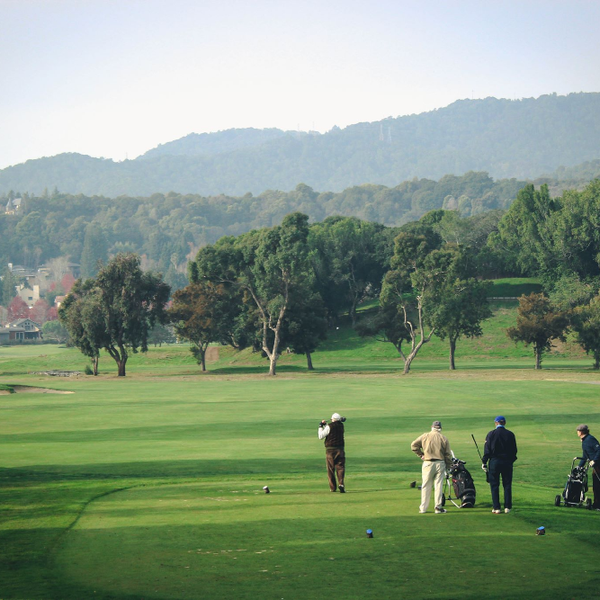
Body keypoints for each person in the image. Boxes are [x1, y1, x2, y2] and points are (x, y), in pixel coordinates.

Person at [411, 420, 453, 514]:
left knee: (426, 485)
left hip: (428, 463)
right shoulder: (443, 438)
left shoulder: (425, 436)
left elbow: (413, 445)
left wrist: (421, 454)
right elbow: (447, 454)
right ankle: (438, 507)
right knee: (438, 485)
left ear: (432, 427)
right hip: (440, 463)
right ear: (440, 428)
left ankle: (423, 508)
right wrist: (449, 465)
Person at [482, 416, 517, 514]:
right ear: (504, 423)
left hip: (494, 462)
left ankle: (496, 507)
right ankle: (507, 507)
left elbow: (487, 450)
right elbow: (514, 450)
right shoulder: (510, 434)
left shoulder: (491, 434)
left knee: (494, 485)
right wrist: (510, 461)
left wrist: (484, 462)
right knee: (507, 485)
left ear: (496, 423)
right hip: (507, 462)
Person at [318, 413, 346, 493]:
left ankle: (333, 488)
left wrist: (320, 426)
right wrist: (326, 425)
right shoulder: (341, 426)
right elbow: (333, 428)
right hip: (340, 449)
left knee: (330, 469)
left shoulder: (329, 426)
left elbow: (321, 436)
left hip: (330, 450)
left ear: (333, 419)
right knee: (340, 467)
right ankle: (341, 484)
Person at [576, 424, 600, 510]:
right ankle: (597, 504)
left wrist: (595, 460)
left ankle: (598, 505)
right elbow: (585, 456)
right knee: (596, 485)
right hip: (596, 465)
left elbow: (599, 450)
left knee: (597, 485)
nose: (577, 432)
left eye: (578, 431)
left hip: (598, 465)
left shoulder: (590, 439)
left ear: (581, 432)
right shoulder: (585, 440)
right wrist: (579, 466)